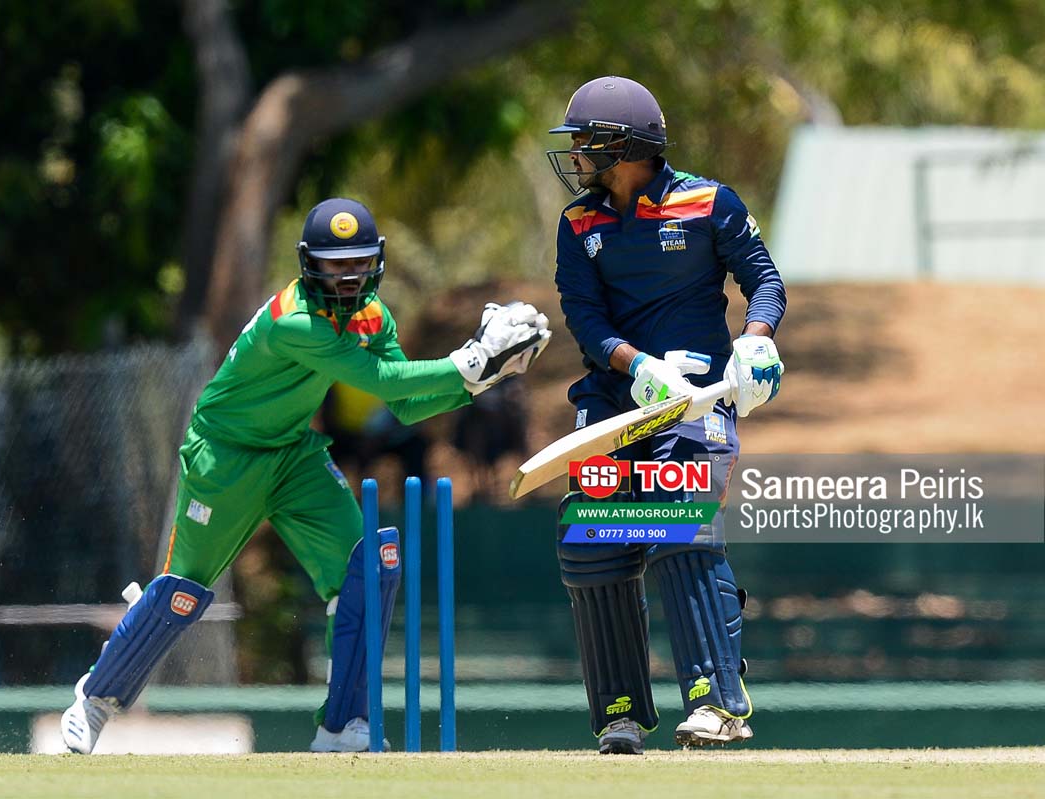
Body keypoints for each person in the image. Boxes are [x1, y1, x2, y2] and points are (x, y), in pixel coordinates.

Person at [60, 197, 550, 754]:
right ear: (308, 264)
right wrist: (473, 360)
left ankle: (343, 725)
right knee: (183, 593)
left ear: (377, 262)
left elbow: (405, 404)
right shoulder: (294, 322)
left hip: (294, 454)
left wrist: (481, 379)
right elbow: (384, 379)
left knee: (366, 570)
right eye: (335, 265)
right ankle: (95, 698)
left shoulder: (373, 315)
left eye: (360, 263)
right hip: (226, 458)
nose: (349, 277)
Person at [545, 76, 785, 753]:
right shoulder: (579, 223)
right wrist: (637, 367)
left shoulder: (709, 202)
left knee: (680, 525)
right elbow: (585, 317)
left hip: (695, 396)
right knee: (591, 543)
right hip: (613, 399)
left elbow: (764, 280)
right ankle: (619, 713)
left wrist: (756, 343)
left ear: (626, 147)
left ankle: (716, 704)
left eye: (586, 141)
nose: (576, 153)